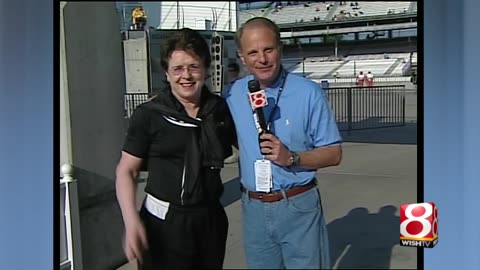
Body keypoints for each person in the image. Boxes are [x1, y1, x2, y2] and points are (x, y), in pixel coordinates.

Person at [223, 17, 342, 269]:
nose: (262, 59)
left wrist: (292, 158)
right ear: (242, 57)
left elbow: (334, 153)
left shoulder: (309, 92)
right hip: (253, 207)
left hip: (298, 204)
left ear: (280, 48)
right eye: (252, 52)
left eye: (268, 49)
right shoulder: (232, 94)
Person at [115, 28, 236, 270]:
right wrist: (131, 221)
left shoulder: (220, 110)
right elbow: (126, 171)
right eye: (178, 69)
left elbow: (242, 147)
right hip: (163, 225)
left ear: (206, 69)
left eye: (194, 66)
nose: (186, 76)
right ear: (167, 74)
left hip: (209, 220)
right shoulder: (148, 115)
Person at [224, 62, 242, 164]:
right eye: (229, 71)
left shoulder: (239, 85)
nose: (230, 73)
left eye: (232, 71)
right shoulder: (228, 86)